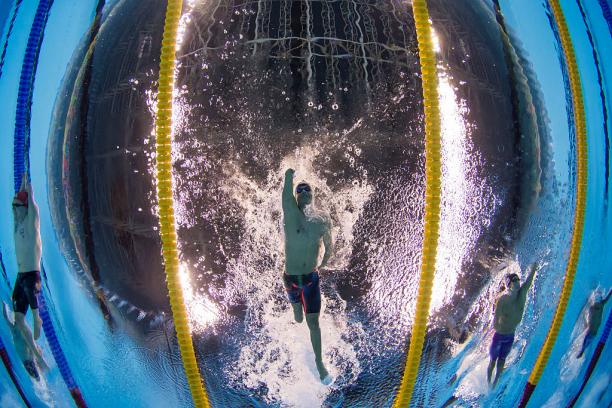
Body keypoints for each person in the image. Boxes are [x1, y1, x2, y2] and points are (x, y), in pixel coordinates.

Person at [282, 168, 332, 384]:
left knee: (313, 323)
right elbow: (285, 195)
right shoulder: (290, 214)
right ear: (296, 196)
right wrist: (288, 177)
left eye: (307, 188)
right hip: (291, 280)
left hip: (311, 280)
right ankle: (295, 312)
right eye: (299, 190)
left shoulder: (322, 219)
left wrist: (325, 262)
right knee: (299, 317)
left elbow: (330, 246)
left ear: (313, 194)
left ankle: (320, 364)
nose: (303, 191)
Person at [10, 174, 45, 377]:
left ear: (24, 207)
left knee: (29, 317)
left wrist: (28, 190)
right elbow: (17, 204)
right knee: (18, 321)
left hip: (32, 275)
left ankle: (37, 317)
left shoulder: (31, 222)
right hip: (21, 276)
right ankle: (35, 357)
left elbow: (31, 205)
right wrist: (20, 187)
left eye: (17, 207)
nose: (14, 211)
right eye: (14, 208)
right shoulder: (18, 223)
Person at [487, 262, 538, 387]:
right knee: (493, 361)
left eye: (517, 279)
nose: (517, 282)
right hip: (499, 336)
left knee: (502, 361)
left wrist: (534, 268)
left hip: (510, 336)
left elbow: (529, 280)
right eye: (514, 280)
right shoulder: (503, 300)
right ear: (509, 285)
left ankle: (494, 384)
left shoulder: (522, 294)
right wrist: (499, 329)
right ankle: (488, 383)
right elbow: (495, 320)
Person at [577, 288, 611, 358]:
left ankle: (582, 351)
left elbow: (609, 296)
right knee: (585, 343)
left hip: (592, 333)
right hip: (590, 332)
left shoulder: (601, 304)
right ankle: (581, 351)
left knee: (586, 342)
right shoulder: (594, 306)